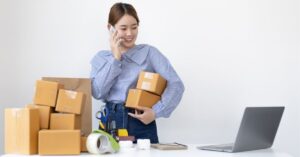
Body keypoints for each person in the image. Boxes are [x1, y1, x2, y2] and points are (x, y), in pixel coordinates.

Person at [90, 2, 184, 143]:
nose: (130, 33)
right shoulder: (101, 58)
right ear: (110, 28)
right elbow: (98, 93)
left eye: (134, 27)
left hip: (139, 121)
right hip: (110, 121)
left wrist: (156, 112)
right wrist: (116, 58)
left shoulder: (149, 53)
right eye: (123, 28)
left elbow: (176, 84)